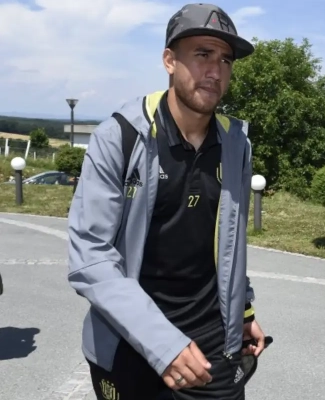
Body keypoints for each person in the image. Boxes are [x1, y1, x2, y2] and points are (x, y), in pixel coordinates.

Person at [66, 3, 267, 399]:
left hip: (211, 347)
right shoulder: (120, 137)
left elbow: (230, 241)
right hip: (129, 341)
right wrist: (164, 344)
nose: (216, 71)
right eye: (203, 54)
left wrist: (243, 311)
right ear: (169, 61)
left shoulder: (235, 144)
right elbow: (90, 255)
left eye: (226, 60)